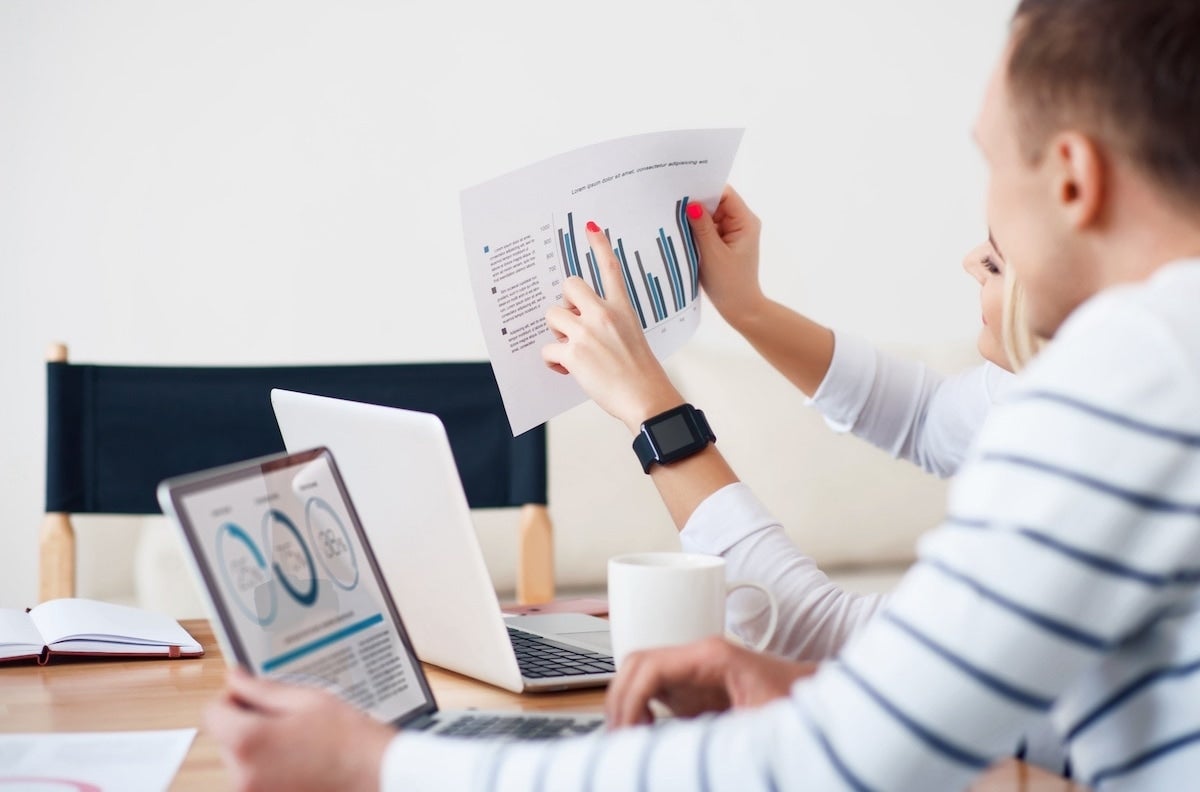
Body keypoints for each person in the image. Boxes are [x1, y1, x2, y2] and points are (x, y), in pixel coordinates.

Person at [207, 0, 1200, 788]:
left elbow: (841, 764)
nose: (975, 235)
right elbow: (947, 467)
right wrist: (749, 311)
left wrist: (382, 767)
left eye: (991, 161)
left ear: (1073, 180)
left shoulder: (1136, 370)